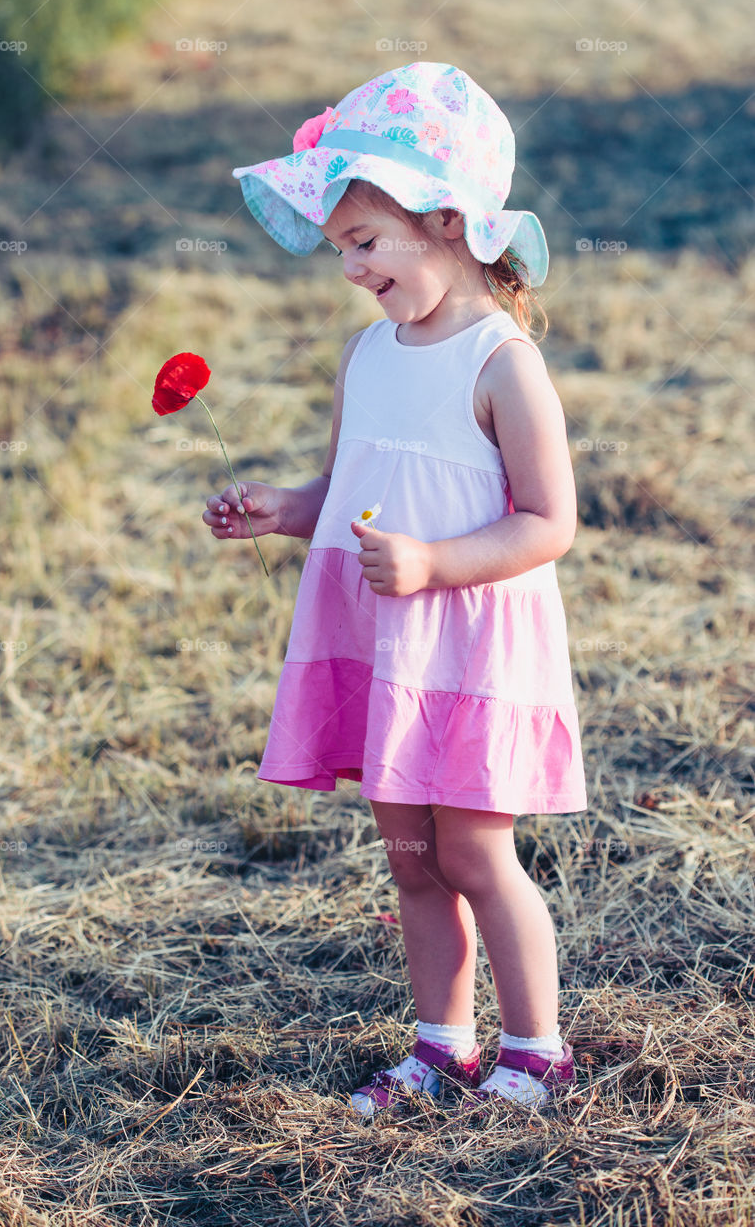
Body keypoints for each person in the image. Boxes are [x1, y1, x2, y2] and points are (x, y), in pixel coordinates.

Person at [204, 62, 586, 1117]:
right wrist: (284, 506)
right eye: (340, 250)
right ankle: (440, 1046)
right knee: (411, 856)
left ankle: (534, 1049)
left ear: (450, 221)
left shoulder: (502, 364)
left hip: (465, 640)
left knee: (472, 848)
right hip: (384, 643)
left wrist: (431, 563)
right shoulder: (367, 354)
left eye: (364, 244)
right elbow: (350, 483)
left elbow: (548, 522)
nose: (348, 270)